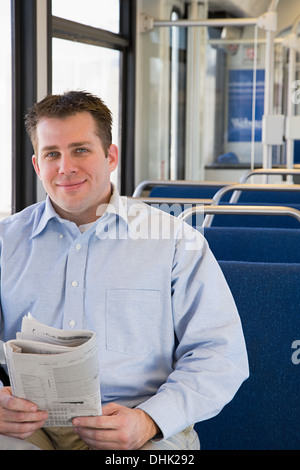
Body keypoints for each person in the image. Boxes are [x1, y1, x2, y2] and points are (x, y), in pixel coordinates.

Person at [0, 90, 249, 450]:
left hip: (138, 426)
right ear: (38, 165)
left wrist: (150, 420)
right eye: (52, 154)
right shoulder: (6, 241)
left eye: (80, 150)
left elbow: (219, 354)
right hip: (27, 424)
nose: (65, 167)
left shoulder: (175, 241)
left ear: (110, 156)